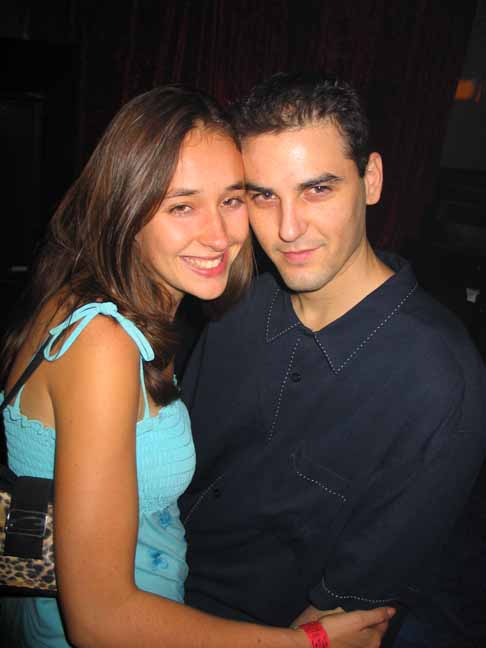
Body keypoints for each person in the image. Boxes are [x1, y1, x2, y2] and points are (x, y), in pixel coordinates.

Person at [0, 85, 392, 647]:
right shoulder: (102, 344)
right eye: (181, 206)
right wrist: (306, 643)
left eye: (232, 200)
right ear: (126, 207)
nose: (219, 235)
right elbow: (99, 620)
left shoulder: (82, 298)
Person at [179, 73, 486, 647]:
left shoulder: (440, 379)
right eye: (263, 196)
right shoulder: (233, 306)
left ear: (371, 180)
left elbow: (343, 615)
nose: (288, 228)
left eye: (317, 189)